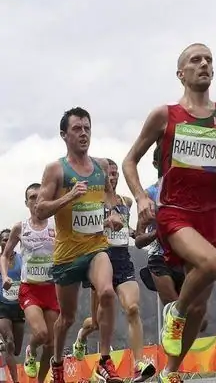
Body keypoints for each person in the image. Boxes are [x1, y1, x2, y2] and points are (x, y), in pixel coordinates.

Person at [122, 43, 216, 383]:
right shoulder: (164, 115)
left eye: (209, 59)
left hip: (210, 216)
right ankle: (173, 312)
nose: (204, 64)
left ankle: (170, 371)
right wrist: (141, 198)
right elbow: (129, 160)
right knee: (211, 264)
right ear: (181, 73)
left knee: (199, 309)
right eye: (196, 60)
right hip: (175, 213)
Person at [35, 107, 124, 383]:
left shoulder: (100, 166)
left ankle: (105, 360)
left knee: (107, 292)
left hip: (96, 247)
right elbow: (40, 209)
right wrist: (69, 196)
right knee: (67, 318)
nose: (83, 133)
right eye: (77, 129)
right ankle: (58, 363)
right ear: (64, 135)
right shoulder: (56, 169)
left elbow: (110, 200)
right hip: (66, 255)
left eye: (87, 128)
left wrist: (113, 216)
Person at [73, 159, 156, 382]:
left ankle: (139, 363)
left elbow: (126, 227)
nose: (114, 176)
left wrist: (134, 232)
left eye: (116, 173)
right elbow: (81, 230)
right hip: (99, 259)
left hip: (122, 259)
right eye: (109, 173)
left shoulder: (125, 202)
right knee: (98, 322)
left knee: (133, 308)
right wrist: (106, 223)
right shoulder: (91, 201)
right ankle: (82, 336)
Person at [134, 146, 208, 332]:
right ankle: (173, 360)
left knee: (199, 319)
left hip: (184, 258)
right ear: (156, 164)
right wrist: (158, 233)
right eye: (165, 160)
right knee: (174, 315)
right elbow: (138, 240)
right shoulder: (149, 194)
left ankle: (181, 354)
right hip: (159, 259)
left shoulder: (187, 191)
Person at [1, 183, 58, 383]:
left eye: (39, 196)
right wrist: (6, 275)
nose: (36, 201)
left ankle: (41, 380)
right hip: (30, 290)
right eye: (32, 197)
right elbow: (5, 254)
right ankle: (31, 349)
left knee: (50, 343)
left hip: (52, 289)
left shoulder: (55, 224)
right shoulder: (20, 228)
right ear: (26, 203)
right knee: (41, 334)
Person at [0, 229, 24, 383]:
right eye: (3, 239)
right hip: (2, 306)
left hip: (19, 306)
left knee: (16, 349)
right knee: (9, 341)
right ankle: (15, 381)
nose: (6, 241)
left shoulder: (22, 259)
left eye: (9, 239)